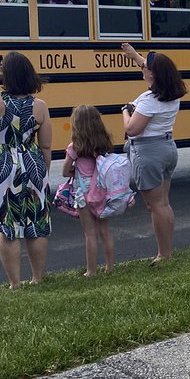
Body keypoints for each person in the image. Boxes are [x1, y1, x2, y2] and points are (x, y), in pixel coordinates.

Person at [0, 51, 53, 289]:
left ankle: (14, 283)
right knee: (35, 221)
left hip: (1, 162)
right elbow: (46, 145)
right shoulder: (40, 106)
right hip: (31, 160)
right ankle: (37, 277)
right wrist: (42, 172)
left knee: (7, 224)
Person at [120, 42, 187, 261]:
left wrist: (125, 111)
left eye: (145, 67)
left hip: (149, 152)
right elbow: (148, 66)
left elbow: (132, 129)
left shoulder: (150, 101)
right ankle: (167, 250)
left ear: (152, 75)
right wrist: (134, 56)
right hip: (167, 147)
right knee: (164, 203)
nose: (142, 67)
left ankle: (163, 253)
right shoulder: (171, 94)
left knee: (155, 206)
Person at [63, 106, 117, 277]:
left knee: (89, 233)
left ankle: (91, 271)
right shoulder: (105, 143)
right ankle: (109, 267)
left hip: (83, 192)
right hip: (102, 189)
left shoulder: (75, 147)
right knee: (105, 231)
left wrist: (75, 170)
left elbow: (65, 171)